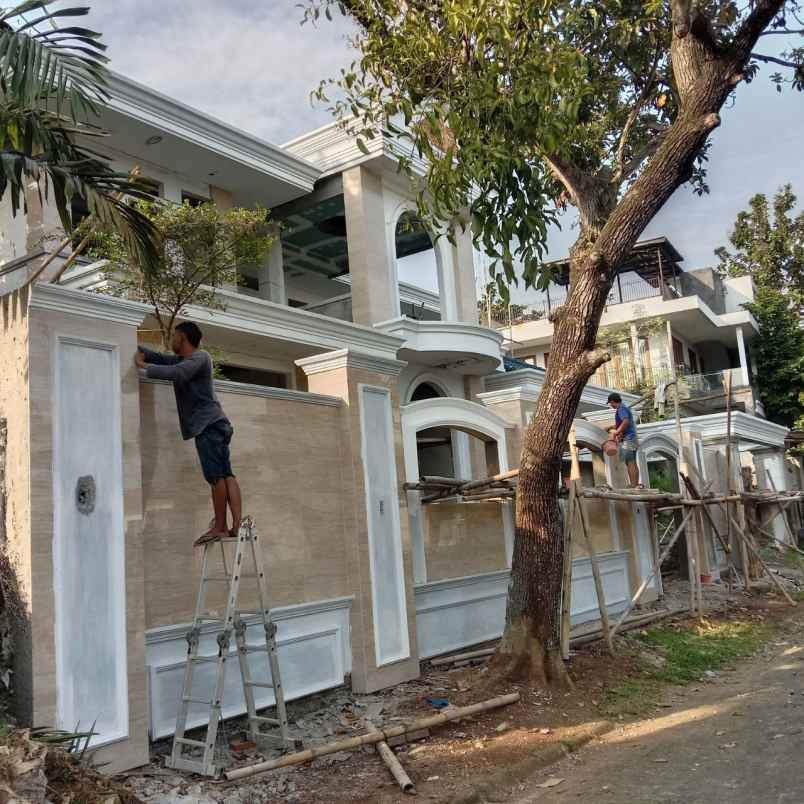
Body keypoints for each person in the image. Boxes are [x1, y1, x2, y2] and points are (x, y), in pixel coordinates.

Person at [135, 322, 241, 545]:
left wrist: (143, 367)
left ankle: (221, 527)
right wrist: (134, 346)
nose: (172, 339)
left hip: (208, 425)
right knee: (224, 474)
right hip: (215, 423)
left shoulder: (200, 358)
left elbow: (176, 373)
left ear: (182, 337)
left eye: (174, 335)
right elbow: (162, 359)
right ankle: (234, 526)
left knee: (215, 477)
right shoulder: (185, 360)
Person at [607, 392, 641, 488]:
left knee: (629, 462)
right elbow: (624, 422)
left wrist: (616, 432)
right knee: (632, 461)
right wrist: (611, 427)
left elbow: (625, 421)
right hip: (632, 438)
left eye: (611, 403)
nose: (611, 405)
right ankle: (636, 484)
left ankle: (633, 485)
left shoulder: (621, 409)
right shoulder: (624, 408)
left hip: (628, 439)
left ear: (613, 401)